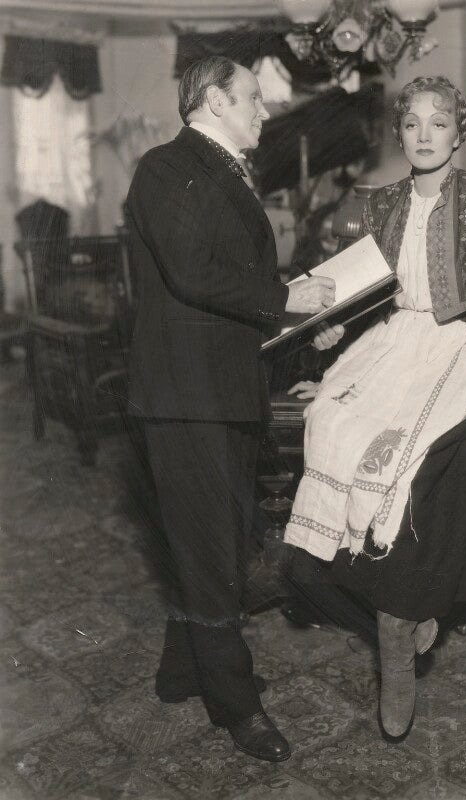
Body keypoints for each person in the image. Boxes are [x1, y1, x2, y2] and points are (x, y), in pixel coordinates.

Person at [283, 76, 466, 740]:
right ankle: (395, 616)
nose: (425, 135)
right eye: (412, 124)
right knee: (330, 424)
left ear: (458, 133)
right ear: (398, 134)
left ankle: (398, 638)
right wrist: (332, 347)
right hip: (389, 342)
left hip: (453, 344)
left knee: (402, 463)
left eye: (439, 124)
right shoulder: (380, 203)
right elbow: (366, 293)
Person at [125, 56, 335, 763]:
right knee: (214, 549)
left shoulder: (218, 170)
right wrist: (285, 299)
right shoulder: (165, 166)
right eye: (250, 98)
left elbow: (230, 288)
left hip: (217, 390)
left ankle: (184, 669)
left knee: (207, 537)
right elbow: (192, 273)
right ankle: (236, 705)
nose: (263, 111)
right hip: (187, 398)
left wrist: (305, 321)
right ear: (214, 99)